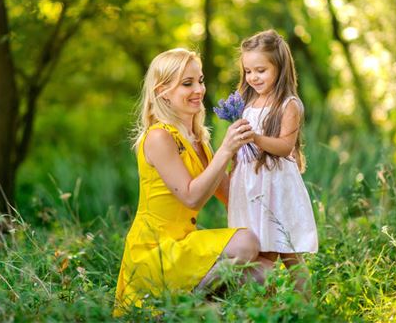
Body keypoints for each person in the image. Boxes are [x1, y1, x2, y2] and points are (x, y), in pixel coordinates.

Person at [114, 48, 272, 316]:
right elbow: (190, 197)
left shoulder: (199, 140)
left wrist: (260, 162)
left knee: (267, 272)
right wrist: (226, 150)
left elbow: (230, 196)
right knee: (245, 243)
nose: (198, 89)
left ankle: (203, 308)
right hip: (156, 254)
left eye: (200, 80)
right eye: (187, 83)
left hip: (184, 247)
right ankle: (180, 311)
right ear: (163, 91)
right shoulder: (159, 137)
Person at [228, 29, 318, 294]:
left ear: (279, 67)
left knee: (287, 251)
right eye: (248, 71)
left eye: (261, 70)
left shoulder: (288, 104)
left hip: (276, 186)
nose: (253, 77)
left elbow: (284, 146)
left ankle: (306, 304)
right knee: (261, 254)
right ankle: (268, 307)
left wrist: (254, 137)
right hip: (251, 186)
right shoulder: (245, 102)